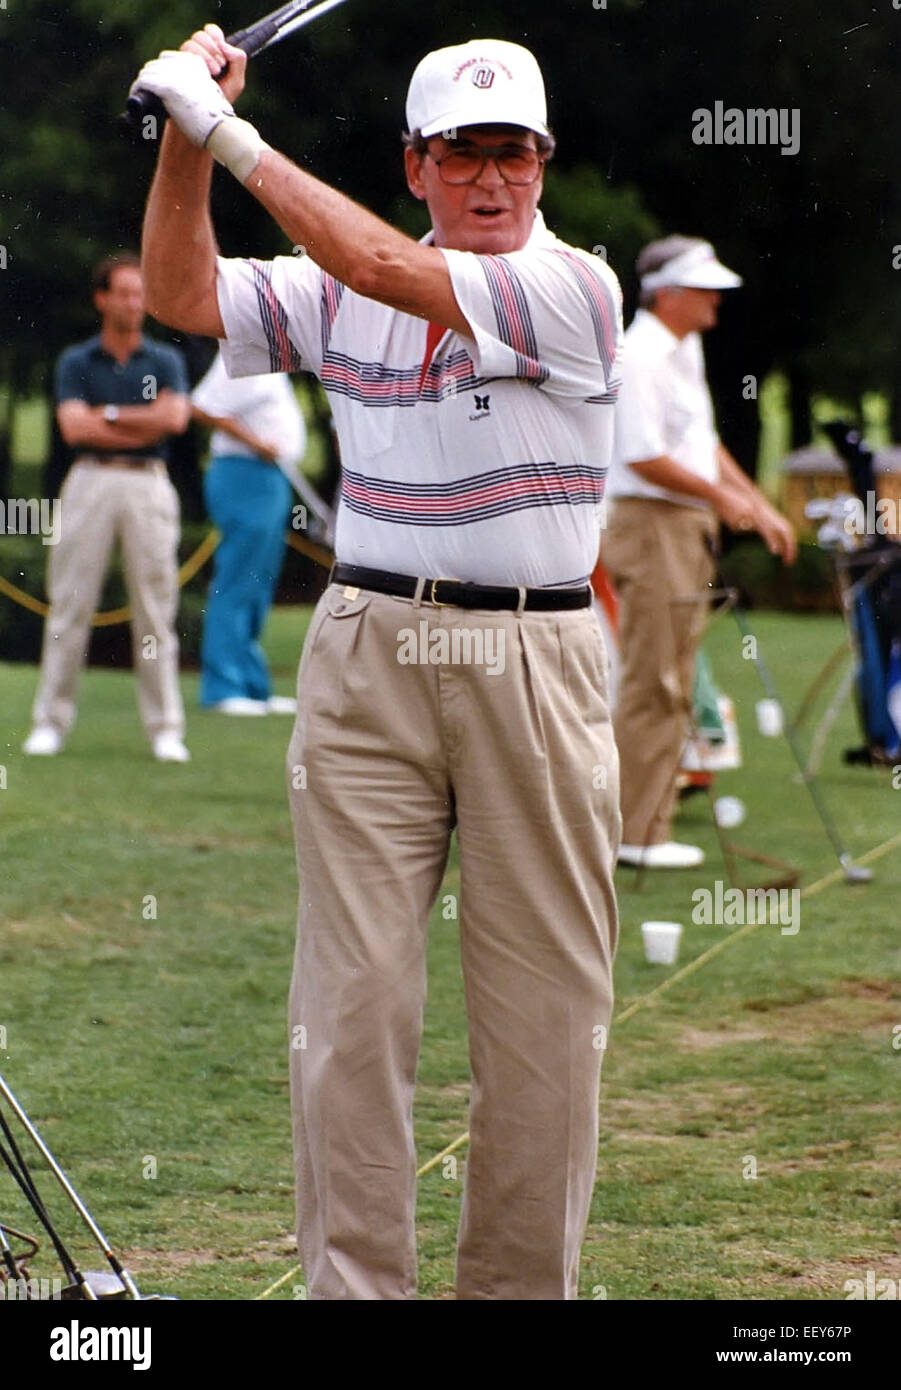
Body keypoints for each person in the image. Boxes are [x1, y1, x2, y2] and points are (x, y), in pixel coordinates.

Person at [136, 27, 623, 1300]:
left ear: (544, 162)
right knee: (347, 1010)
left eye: (513, 153)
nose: (491, 180)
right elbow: (183, 297)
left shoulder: (574, 287)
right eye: (462, 154)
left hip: (534, 648)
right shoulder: (340, 283)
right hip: (366, 647)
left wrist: (226, 128)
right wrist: (185, 143)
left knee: (541, 1027)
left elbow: (377, 263)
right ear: (416, 162)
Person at [602, 235, 797, 869]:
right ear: (671, 294)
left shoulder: (683, 351)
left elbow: (703, 446)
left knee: (674, 677)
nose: (717, 297)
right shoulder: (641, 355)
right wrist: (722, 499)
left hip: (681, 526)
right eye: (705, 286)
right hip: (651, 523)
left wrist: (756, 505)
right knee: (653, 679)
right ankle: (635, 833)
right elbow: (644, 457)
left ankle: (646, 825)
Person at [24, 254, 191, 762]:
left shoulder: (164, 360)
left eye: (140, 294)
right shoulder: (78, 361)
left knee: (155, 609)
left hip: (147, 483)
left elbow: (176, 419)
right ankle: (50, 721)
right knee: (71, 602)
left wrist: (111, 413)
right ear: (102, 299)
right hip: (92, 478)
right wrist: (145, 419)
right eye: (124, 293)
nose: (134, 303)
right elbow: (75, 428)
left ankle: (165, 729)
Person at [191, 349, 307, 714]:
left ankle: (252, 686)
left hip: (269, 476)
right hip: (244, 473)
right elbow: (203, 406)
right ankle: (223, 687)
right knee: (239, 578)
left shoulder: (268, 364)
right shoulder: (240, 355)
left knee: (258, 582)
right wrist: (256, 444)